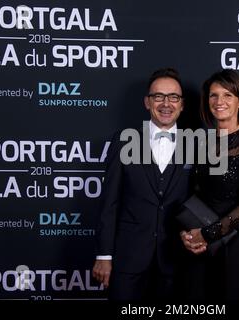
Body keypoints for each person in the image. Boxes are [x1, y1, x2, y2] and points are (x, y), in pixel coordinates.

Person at [92, 67, 197, 300]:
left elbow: (213, 195)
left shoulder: (197, 144)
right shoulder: (124, 140)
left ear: (182, 104)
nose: (166, 103)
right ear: (147, 102)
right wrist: (104, 256)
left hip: (177, 261)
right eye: (158, 96)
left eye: (173, 97)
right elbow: (109, 202)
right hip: (128, 260)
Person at [180, 69, 239, 300]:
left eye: (227, 95)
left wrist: (206, 234)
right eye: (213, 95)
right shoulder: (201, 143)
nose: (219, 102)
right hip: (198, 246)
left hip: (234, 244)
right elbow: (190, 197)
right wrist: (187, 234)